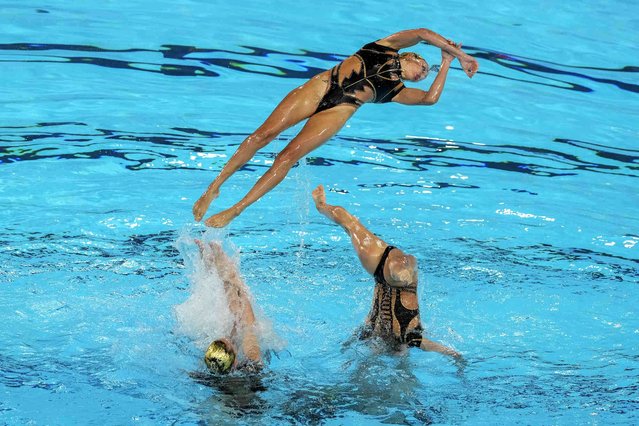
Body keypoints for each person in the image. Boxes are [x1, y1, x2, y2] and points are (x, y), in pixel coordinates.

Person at [193, 28, 479, 227]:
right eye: (424, 66)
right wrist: (460, 54)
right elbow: (422, 34)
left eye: (426, 75)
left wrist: (445, 63)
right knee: (262, 135)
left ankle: (235, 209)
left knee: (286, 157)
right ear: (411, 57)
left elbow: (430, 99)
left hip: (341, 108)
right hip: (323, 85)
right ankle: (214, 187)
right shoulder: (386, 46)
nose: (423, 74)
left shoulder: (397, 91)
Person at [311, 185, 461, 360]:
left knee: (351, 226)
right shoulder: (388, 335)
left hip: (391, 271)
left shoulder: (392, 335)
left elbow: (445, 350)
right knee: (351, 226)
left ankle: (321, 206)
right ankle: (321, 205)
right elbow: (447, 351)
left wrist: (457, 358)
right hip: (383, 269)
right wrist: (458, 359)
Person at [195, 240, 263, 374]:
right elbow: (247, 319)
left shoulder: (206, 376)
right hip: (250, 387)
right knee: (247, 327)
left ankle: (212, 269)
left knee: (235, 327)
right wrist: (231, 277)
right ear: (235, 362)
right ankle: (223, 271)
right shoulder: (252, 367)